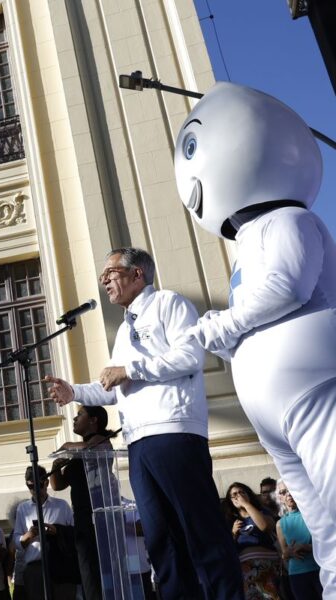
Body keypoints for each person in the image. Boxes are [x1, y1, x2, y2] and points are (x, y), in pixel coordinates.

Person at [173, 82, 336, 593]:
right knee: (324, 526)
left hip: (313, 389)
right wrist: (227, 336)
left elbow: (287, 285)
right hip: (277, 413)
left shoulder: (290, 219)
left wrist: (223, 325)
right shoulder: (247, 246)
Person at [46, 247, 244, 599]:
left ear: (137, 274)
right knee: (161, 540)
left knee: (201, 532)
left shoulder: (169, 304)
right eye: (103, 275)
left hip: (174, 431)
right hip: (138, 443)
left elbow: (189, 356)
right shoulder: (124, 331)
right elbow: (112, 385)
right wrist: (73, 390)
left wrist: (130, 369)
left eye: (111, 272)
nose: (104, 280)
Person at [49, 405, 117, 600]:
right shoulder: (76, 454)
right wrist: (56, 464)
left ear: (94, 420)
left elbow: (88, 447)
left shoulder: (101, 441)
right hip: (81, 515)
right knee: (87, 570)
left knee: (97, 567)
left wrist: (65, 446)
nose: (74, 419)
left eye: (80, 415)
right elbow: (58, 485)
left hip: (98, 514)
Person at [226, 482, 283, 597]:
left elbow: (264, 526)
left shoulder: (262, 512)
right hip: (246, 570)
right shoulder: (230, 521)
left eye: (241, 492)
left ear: (249, 495)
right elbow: (227, 549)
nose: (238, 496)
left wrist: (246, 505)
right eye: (234, 494)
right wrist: (233, 533)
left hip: (268, 566)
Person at [276, 480, 324, 600]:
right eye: (283, 492)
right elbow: (284, 554)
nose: (288, 494)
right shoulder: (280, 523)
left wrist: (307, 547)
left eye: (291, 489)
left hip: (320, 569)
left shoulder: (313, 515)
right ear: (280, 498)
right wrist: (289, 552)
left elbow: (328, 544)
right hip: (297, 574)